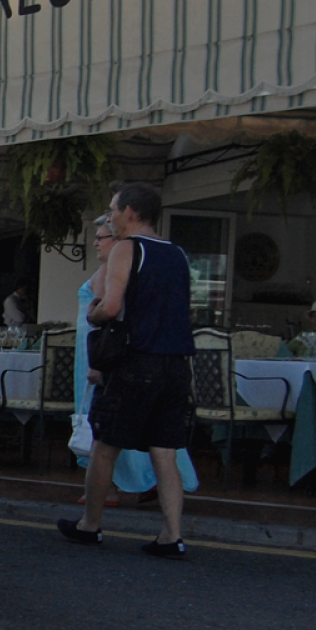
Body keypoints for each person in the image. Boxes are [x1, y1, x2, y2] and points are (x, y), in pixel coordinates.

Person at [58, 183, 195, 557]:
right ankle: (172, 533)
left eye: (113, 209)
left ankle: (90, 524)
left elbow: (113, 306)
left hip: (136, 360)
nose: (109, 216)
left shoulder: (127, 248)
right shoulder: (178, 254)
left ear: (131, 212)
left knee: (105, 445)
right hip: (176, 364)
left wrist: (94, 311)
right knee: (165, 451)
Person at [73, 215, 199, 507]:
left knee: (109, 433)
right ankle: (166, 522)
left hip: (109, 357)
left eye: (102, 237)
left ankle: (101, 505)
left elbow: (109, 314)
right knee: (154, 441)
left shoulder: (113, 268)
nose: (96, 243)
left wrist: (97, 364)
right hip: (153, 359)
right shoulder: (168, 255)